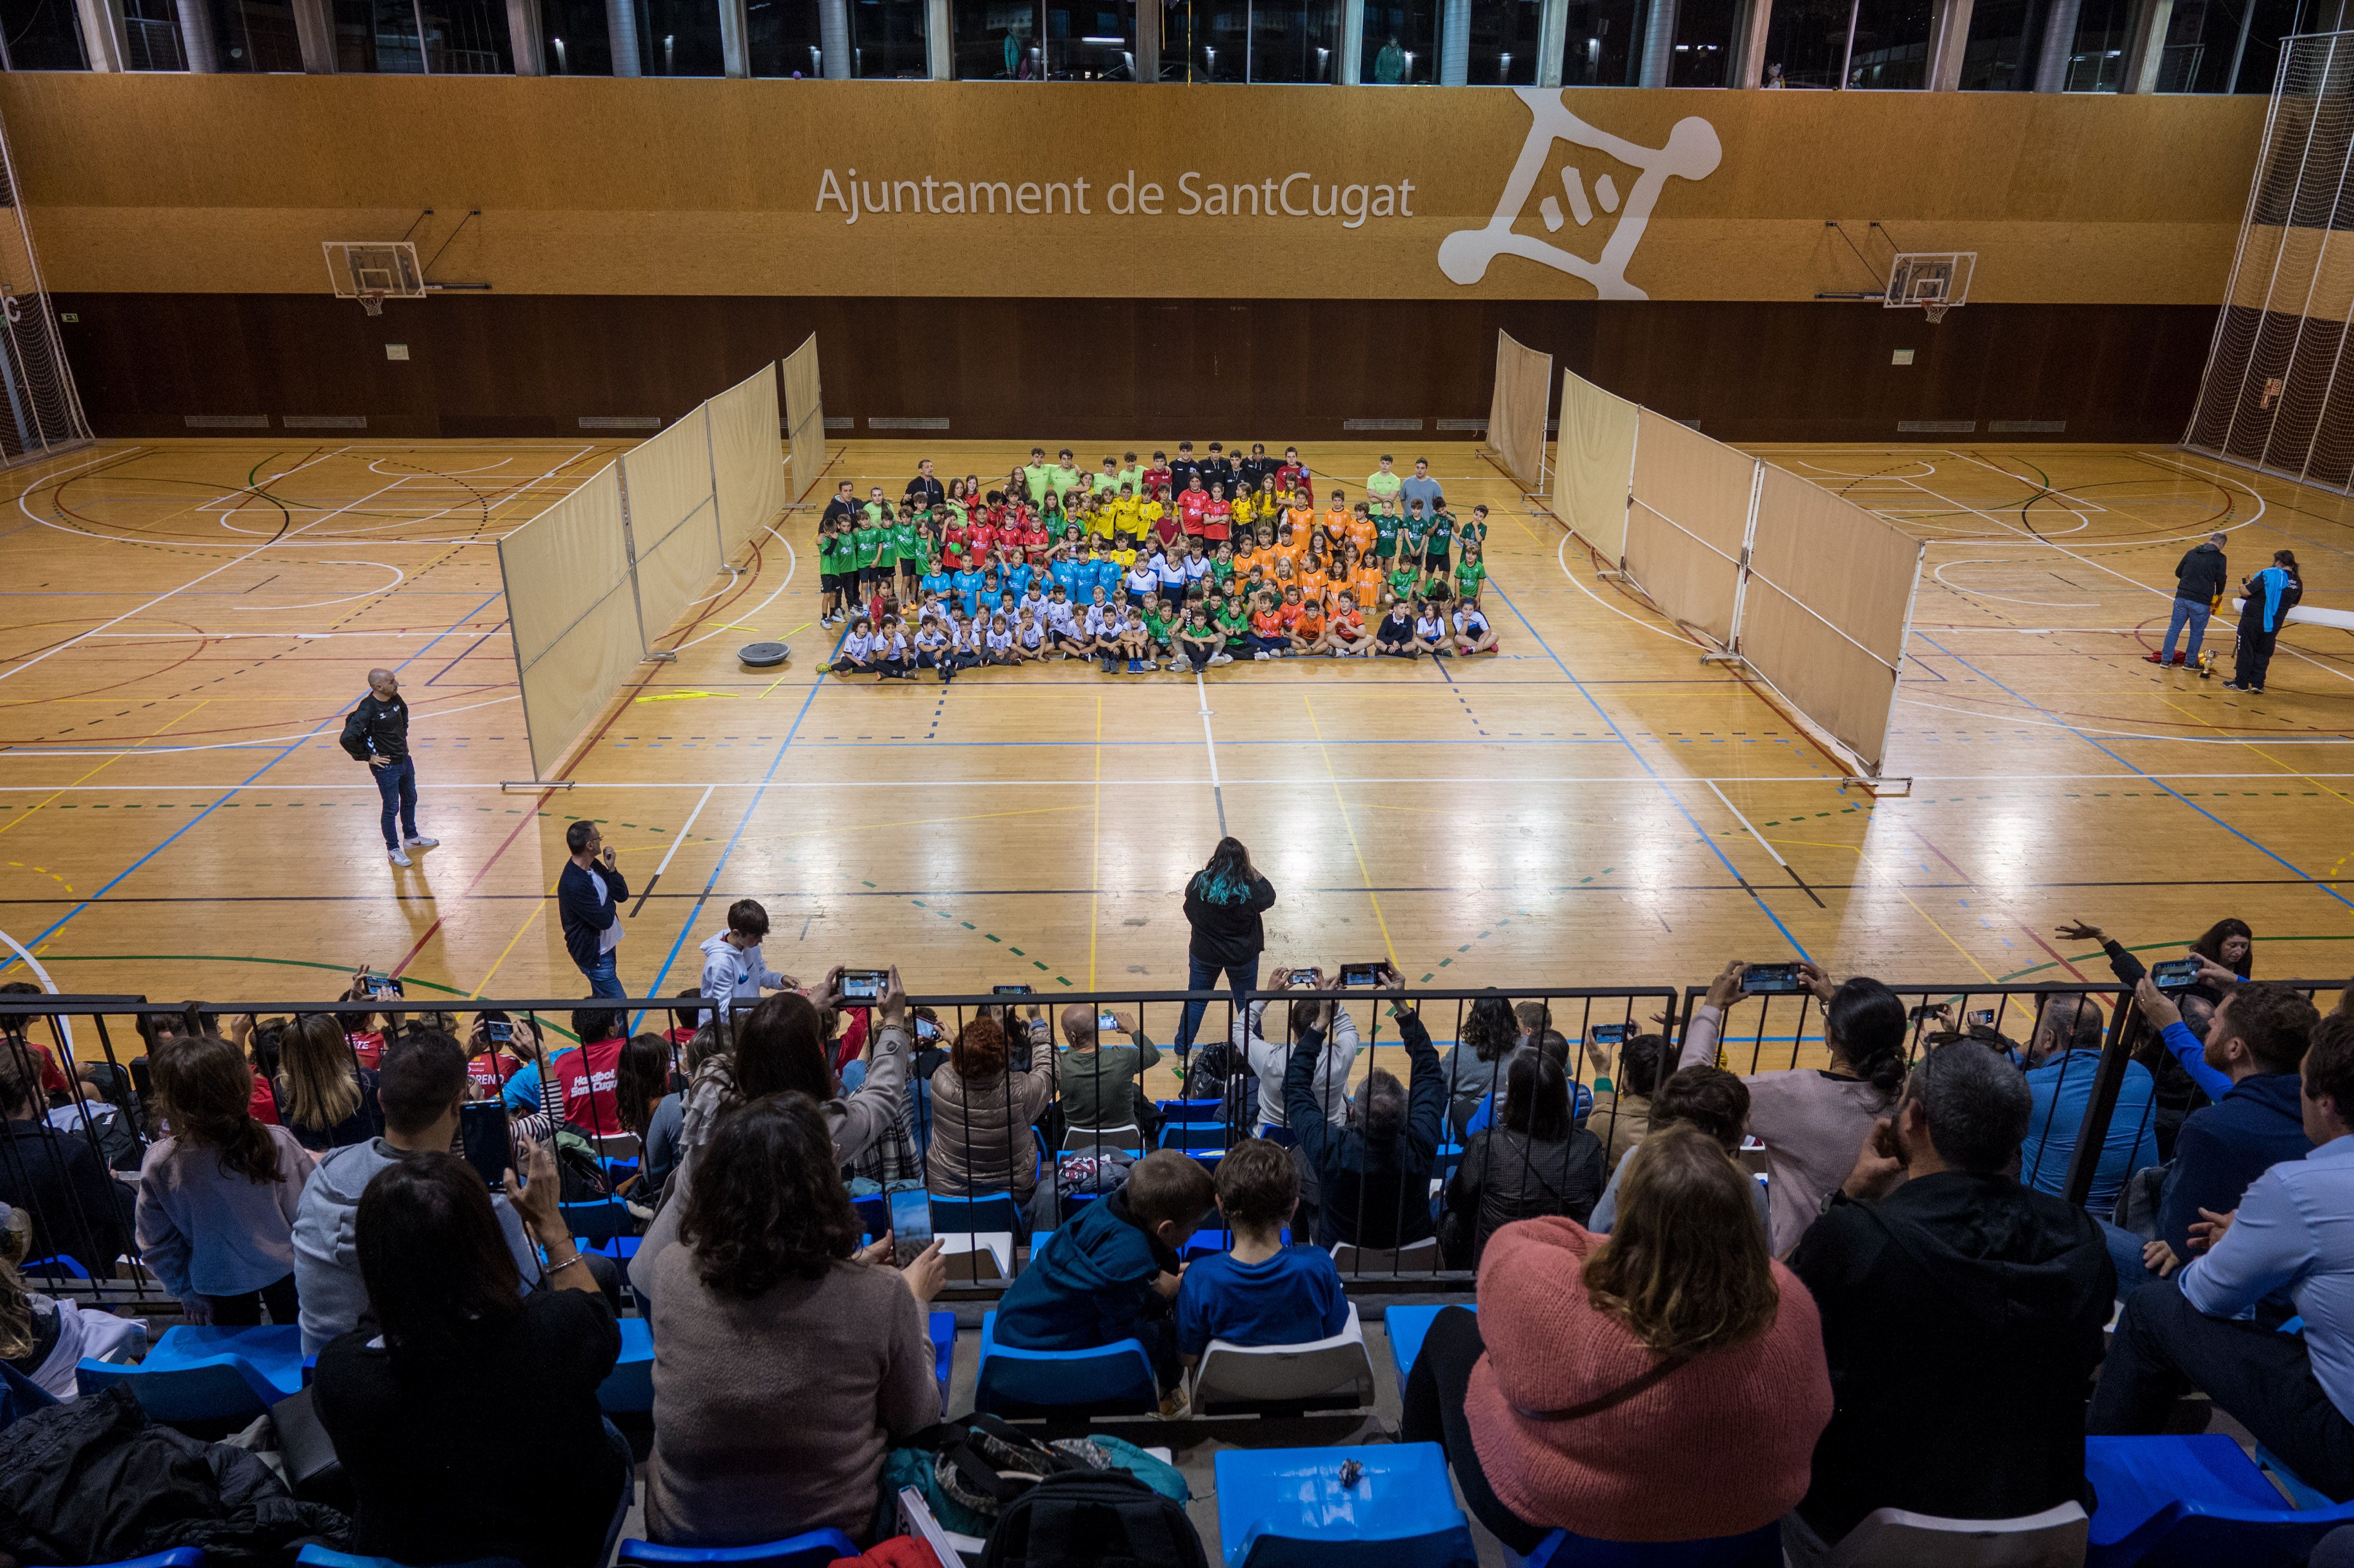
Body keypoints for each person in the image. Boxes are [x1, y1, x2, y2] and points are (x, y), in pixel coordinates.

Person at [1402, 1124, 1833, 1551]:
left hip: (1563, 1513)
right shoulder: (1791, 1304)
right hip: (1743, 1517)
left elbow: (1513, 1243)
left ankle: (1406, 1491)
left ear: (1630, 1221)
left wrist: (1614, 1249)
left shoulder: (1562, 1308)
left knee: (1449, 1328)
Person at [1783, 1039, 2112, 1559]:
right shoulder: (2082, 1238)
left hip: (1873, 1527)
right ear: (2016, 1136)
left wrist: (1846, 1197)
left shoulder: (1857, 1238)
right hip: (2040, 1522)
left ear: (1912, 1118)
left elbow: (1776, 1326)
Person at [646, 1093, 944, 1546]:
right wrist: (915, 1298)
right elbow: (919, 1420)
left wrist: (855, 1266)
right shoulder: (884, 1296)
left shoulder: (670, 1270)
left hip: (683, 1540)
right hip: (837, 1542)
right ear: (823, 1185)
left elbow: (767, 1281)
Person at [312, 1146, 627, 1568]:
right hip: (553, 1551)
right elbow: (600, 1321)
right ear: (488, 1243)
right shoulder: (559, 1330)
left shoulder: (339, 1374)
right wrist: (550, 1225)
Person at [2089, 1014, 2354, 1499]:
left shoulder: (2296, 1186)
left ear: (2327, 1103)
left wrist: (2238, 1242)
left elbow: (2206, 1296)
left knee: (2154, 1309)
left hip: (2342, 1439)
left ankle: (2095, 1480)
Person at [632, 975, 910, 1302]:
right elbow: (880, 1097)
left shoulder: (711, 1082)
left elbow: (753, 1051)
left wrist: (797, 1014)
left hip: (659, 1268)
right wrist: (893, 1022)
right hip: (703, 1290)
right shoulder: (818, 1125)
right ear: (811, 1062)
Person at [294, 1029, 566, 1353]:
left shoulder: (325, 1176)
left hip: (327, 1368)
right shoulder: (478, 1200)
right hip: (425, 1371)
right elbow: (523, 1292)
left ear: (381, 1099)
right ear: (459, 1105)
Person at [1677, 959, 1908, 1255]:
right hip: (1887, 1256)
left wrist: (1712, 1009)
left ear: (1830, 1036)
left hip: (1804, 1260)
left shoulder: (1796, 1094)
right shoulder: (1912, 1099)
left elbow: (1689, 1089)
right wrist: (1840, 1007)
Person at [2105, 978, 2316, 1295]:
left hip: (2215, 1289)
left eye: (2216, 1021)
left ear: (2234, 1048)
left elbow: (2175, 1240)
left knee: (2081, 1230)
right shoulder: (2324, 1109)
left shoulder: (2213, 1127)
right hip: (2291, 1277)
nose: (2209, 1025)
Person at [995, 1148, 1217, 1390]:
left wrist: (1154, 1279)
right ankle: (1169, 1397)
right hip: (1037, 1345)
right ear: (1165, 1230)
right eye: (1194, 1228)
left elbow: (1108, 1274)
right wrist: (1158, 1298)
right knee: (1163, 1334)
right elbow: (1118, 1331)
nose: (1194, 1233)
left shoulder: (1110, 1206)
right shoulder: (1132, 1259)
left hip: (1015, 1319)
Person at [136, 1033, 312, 1325]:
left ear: (168, 1100)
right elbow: (310, 1218)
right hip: (288, 1274)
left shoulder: (160, 1161)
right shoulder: (278, 1143)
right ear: (244, 1086)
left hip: (214, 1282)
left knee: (235, 1360)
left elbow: (156, 1243)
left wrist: (185, 1289)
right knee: (294, 1351)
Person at [1288, 965, 1446, 1250]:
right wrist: (1402, 1007)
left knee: (1296, 1162)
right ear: (1404, 1116)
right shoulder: (1420, 1146)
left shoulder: (1332, 1152)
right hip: (1409, 1263)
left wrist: (1322, 1021)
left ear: (1353, 1114)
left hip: (1340, 1264)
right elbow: (1431, 1076)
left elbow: (1296, 1090)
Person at [1175, 1139, 1348, 1364]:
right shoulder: (1319, 1265)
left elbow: (1188, 1358)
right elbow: (1334, 1335)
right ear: (1293, 1209)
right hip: (1305, 1393)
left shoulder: (1199, 1278)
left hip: (1229, 1396)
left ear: (1220, 1205)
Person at [1440, 1051, 1606, 1268]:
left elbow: (1457, 1202)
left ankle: (1456, 1286)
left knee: (1451, 1220)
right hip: (1566, 1261)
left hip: (1502, 1261)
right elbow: (1597, 1202)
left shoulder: (1487, 1145)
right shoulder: (1588, 1145)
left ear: (1512, 1098)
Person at [2016, 991, 2159, 1213]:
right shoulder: (2139, 1074)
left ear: (2048, 1038)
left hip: (2054, 1216)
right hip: (2130, 1213)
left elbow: (1983, 1083)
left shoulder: (2031, 1088)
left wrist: (2020, 1051)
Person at [0, 1040, 130, 1278]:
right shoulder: (66, 1152)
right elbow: (124, 1208)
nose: (47, 1097)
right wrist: (110, 1181)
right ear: (30, 1095)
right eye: (41, 1090)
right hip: (70, 1279)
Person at [1588, 1065, 1765, 1234]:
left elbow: (1598, 1227)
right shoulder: (1748, 1188)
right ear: (1716, 1132)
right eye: (1745, 1118)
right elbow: (1763, 1257)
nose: (1750, 1124)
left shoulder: (1635, 1159)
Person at [926, 1012, 1054, 1206]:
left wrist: (957, 1042)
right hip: (1012, 1198)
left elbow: (969, 1066)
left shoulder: (940, 1080)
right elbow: (1047, 1071)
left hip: (947, 1195)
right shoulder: (1021, 1090)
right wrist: (1038, 1022)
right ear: (1005, 1059)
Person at [1176, 838, 1277, 1056]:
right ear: (1243, 862)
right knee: (1247, 1002)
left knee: (1196, 1001)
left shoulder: (1201, 882)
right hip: (1242, 957)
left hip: (1205, 954)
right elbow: (1269, 895)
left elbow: (1188, 901)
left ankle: (1181, 1047)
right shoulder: (1249, 889)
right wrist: (1251, 869)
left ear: (1217, 858)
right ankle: (1255, 1046)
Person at [1235, 972, 1362, 1139]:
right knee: (1345, 1088)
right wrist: (1329, 999)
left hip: (1271, 1142)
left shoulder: (1270, 1059)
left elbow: (1238, 1029)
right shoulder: (1340, 1057)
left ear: (1292, 1026)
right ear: (1327, 1022)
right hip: (1325, 1140)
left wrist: (1267, 995)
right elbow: (1348, 1030)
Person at [339, 668, 438, 869]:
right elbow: (347, 738)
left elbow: (405, 712)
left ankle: (411, 837)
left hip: (404, 760)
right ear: (378, 686)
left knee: (411, 798)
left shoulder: (394, 699)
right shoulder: (367, 709)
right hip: (386, 767)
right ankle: (393, 849)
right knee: (391, 808)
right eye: (392, 681)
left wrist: (403, 736)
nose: (396, 684)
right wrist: (368, 757)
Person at [272, 1012, 383, 1153]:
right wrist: (400, 1027)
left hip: (311, 1169)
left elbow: (314, 1042)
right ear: (339, 1046)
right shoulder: (366, 1085)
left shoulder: (284, 1085)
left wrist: (347, 1011)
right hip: (361, 1168)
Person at [1056, 1003, 1160, 1139]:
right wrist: (1133, 1030)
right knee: (1135, 1090)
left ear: (1072, 1037)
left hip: (1078, 1144)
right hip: (1126, 1141)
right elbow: (1153, 1054)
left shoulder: (1060, 1065)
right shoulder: (1123, 1058)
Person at [557, 820, 629, 1000]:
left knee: (603, 1002)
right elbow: (604, 919)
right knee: (620, 1005)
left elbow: (622, 895)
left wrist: (611, 870)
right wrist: (609, 899)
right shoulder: (574, 884)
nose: (601, 841)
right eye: (598, 838)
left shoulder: (594, 866)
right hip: (595, 955)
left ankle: (601, 1027)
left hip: (606, 947)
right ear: (589, 845)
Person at [697, 899, 794, 1025]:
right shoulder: (720, 963)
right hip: (724, 1029)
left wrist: (780, 980)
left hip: (747, 1019)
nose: (760, 941)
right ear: (736, 934)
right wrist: (760, 1010)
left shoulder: (750, 946)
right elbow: (725, 1005)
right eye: (755, 937)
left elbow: (759, 974)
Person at [1441, 992, 1518, 1138]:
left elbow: (1441, 1084)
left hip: (1470, 1128)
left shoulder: (1458, 1055)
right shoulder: (1526, 1048)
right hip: (1514, 1123)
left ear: (1475, 1018)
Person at [1586, 1031, 1665, 1171]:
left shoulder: (1607, 1123)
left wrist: (1602, 1072)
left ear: (1628, 1080)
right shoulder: (1689, 1115)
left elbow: (1604, 1114)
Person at [2225, 547, 2300, 692]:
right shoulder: (2297, 581)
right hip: (2275, 622)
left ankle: (2241, 683)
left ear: (2278, 562)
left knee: (2246, 649)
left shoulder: (2269, 574)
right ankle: (2258, 684)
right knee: (2264, 652)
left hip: (2253, 619)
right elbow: (2294, 603)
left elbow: (2247, 591)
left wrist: (2242, 587)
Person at [2151, 532, 2229, 667]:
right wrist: (2219, 593)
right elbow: (2221, 579)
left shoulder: (2192, 552)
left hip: (2182, 597)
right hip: (2201, 600)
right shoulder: (2220, 558)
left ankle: (2166, 660)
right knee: (2197, 633)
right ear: (2221, 544)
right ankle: (2190, 663)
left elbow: (2178, 572)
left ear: (2210, 540)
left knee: (2174, 629)